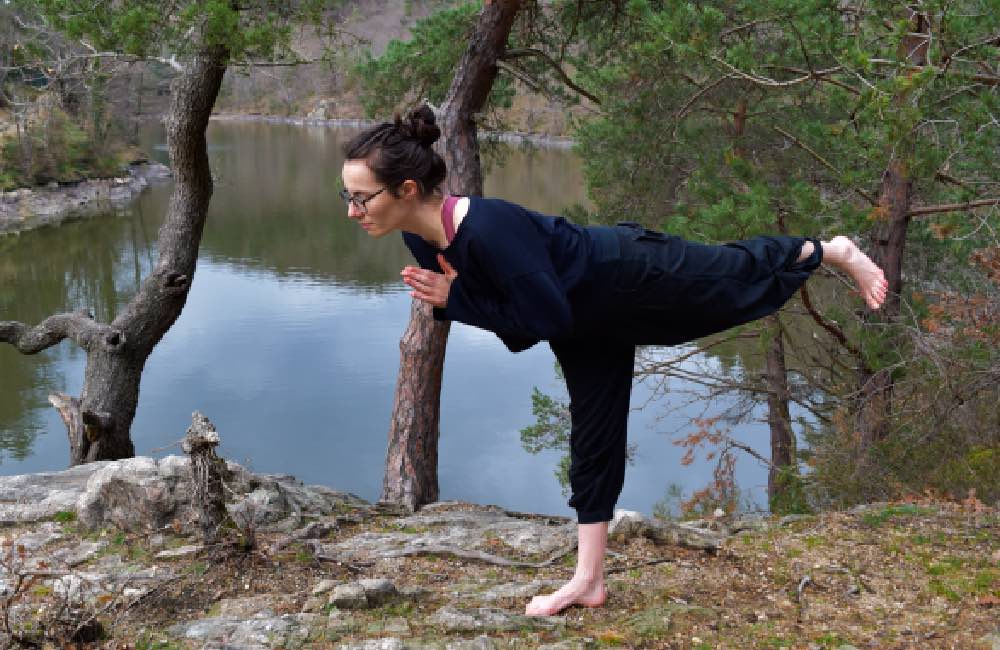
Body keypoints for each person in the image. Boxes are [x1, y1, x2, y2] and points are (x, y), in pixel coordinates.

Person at [339, 106, 888, 617]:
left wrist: (459, 301)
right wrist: (466, 300)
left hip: (627, 275)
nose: (351, 210)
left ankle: (831, 250)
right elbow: (525, 313)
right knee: (593, 438)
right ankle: (589, 580)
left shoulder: (489, 228)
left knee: (731, 273)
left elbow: (538, 316)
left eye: (361, 198)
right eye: (347, 195)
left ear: (407, 189)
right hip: (584, 321)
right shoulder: (421, 240)